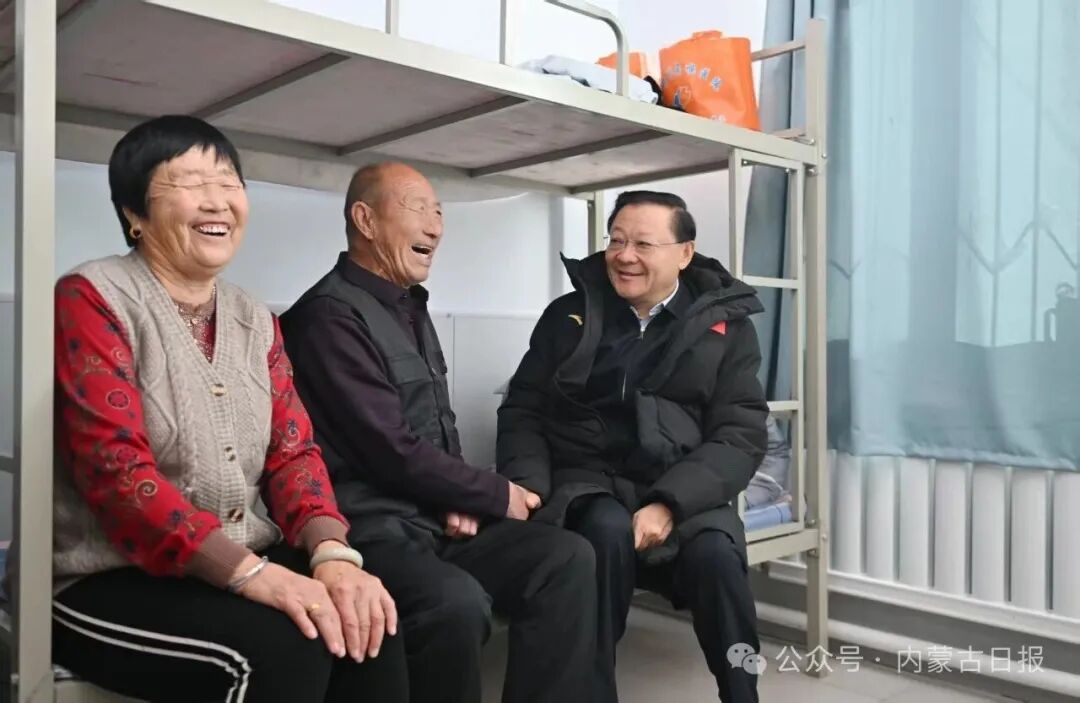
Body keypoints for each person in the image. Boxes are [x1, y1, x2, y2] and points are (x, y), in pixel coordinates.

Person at [35, 115, 408, 703]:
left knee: (368, 621)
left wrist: (332, 554)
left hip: (233, 559)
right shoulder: (92, 297)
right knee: (285, 649)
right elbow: (118, 474)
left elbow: (293, 454)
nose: (217, 201)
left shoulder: (255, 319)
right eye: (188, 182)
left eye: (229, 181)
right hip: (105, 577)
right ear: (134, 213)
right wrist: (254, 575)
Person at [280, 162, 608, 703]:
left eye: (439, 211)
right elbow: (387, 449)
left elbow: (436, 429)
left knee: (567, 558)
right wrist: (491, 493)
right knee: (454, 604)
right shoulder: (328, 319)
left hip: (430, 518)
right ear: (365, 219)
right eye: (418, 208)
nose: (435, 226)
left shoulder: (409, 304)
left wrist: (460, 497)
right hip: (370, 527)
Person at [497, 190, 769, 702]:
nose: (624, 256)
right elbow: (523, 408)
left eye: (643, 244)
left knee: (717, 556)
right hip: (589, 482)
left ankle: (742, 693)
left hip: (683, 484)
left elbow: (740, 434)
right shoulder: (569, 316)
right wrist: (528, 486)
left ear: (684, 253)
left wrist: (670, 503)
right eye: (616, 240)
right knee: (602, 531)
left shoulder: (728, 330)